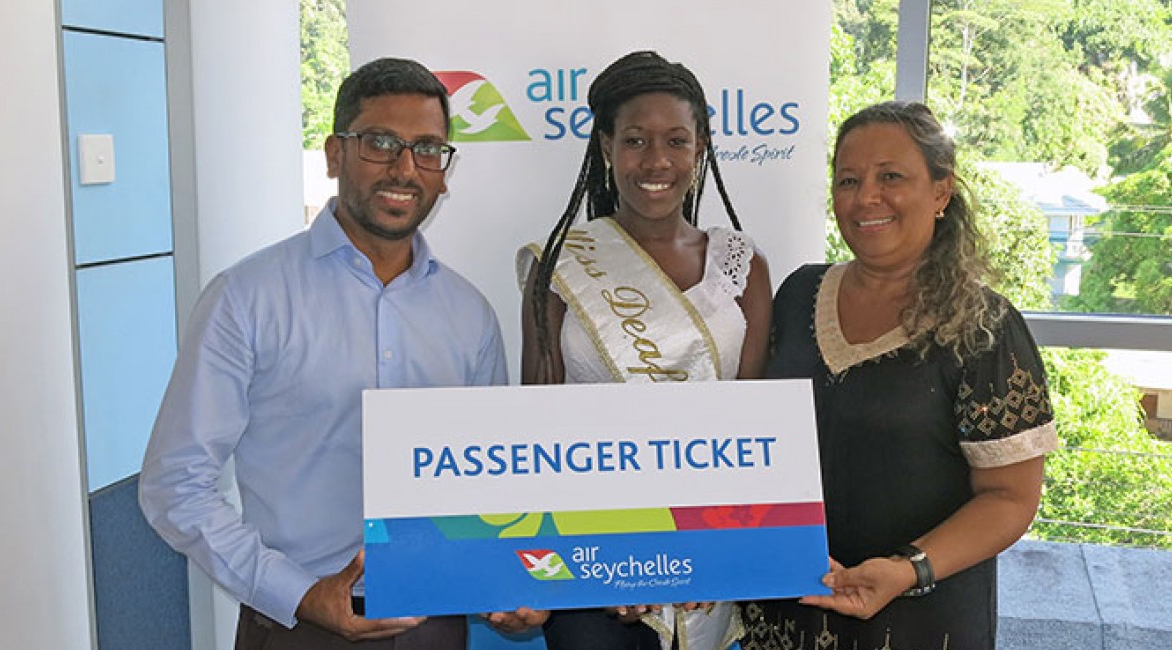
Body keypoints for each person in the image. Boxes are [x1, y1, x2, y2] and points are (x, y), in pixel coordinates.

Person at [139, 58, 537, 649]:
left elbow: (491, 484)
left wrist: (513, 579)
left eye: (428, 148)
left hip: (437, 624)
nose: (406, 168)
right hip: (298, 625)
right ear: (334, 155)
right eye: (381, 143)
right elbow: (175, 484)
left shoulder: (469, 314)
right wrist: (296, 592)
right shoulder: (245, 298)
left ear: (445, 171)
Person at [742, 101, 1059, 649]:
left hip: (919, 621)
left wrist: (907, 568)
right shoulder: (797, 295)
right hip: (782, 617)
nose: (866, 197)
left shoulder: (985, 328)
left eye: (891, 176)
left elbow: (1011, 498)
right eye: (848, 180)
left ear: (941, 192)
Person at [517, 51, 773, 650]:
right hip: (593, 568)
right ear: (605, 146)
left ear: (701, 146)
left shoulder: (743, 266)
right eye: (635, 140)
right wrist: (610, 562)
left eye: (676, 140)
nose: (656, 161)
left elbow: (757, 430)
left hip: (709, 560)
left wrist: (714, 553)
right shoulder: (560, 267)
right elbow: (538, 431)